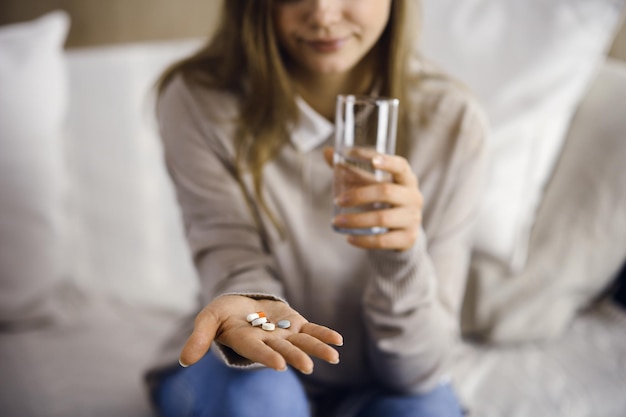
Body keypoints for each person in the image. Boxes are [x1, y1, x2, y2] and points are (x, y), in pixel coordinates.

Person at [145, 1, 487, 416]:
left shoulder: (453, 123)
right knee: (260, 399)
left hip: (383, 383)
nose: (323, 14)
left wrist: (400, 261)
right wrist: (251, 305)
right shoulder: (200, 101)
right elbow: (230, 255)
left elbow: (417, 373)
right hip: (247, 371)